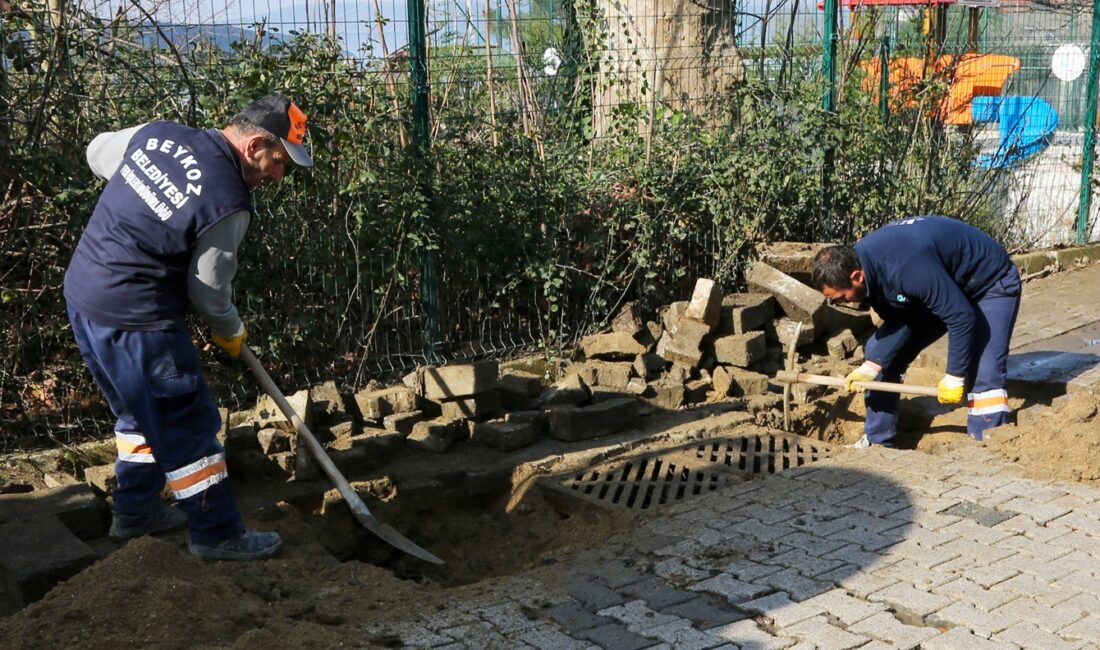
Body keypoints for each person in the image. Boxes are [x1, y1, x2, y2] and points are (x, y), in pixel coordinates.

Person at [63, 94, 314, 560]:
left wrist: (151, 191)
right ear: (256, 143)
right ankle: (217, 533)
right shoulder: (228, 201)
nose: (277, 176)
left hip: (85, 297)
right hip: (140, 321)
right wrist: (231, 332)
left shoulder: (157, 135)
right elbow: (209, 291)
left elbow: (97, 152)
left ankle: (135, 513)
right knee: (189, 425)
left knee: (138, 414)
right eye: (279, 162)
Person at [811, 216, 1021, 447]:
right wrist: (873, 364)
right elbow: (900, 317)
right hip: (939, 287)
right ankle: (878, 441)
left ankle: (986, 442)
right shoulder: (864, 267)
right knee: (880, 354)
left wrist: (954, 375)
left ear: (856, 277)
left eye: (841, 297)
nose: (841, 303)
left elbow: (961, 317)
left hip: (988, 283)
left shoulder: (904, 266)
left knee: (984, 368)